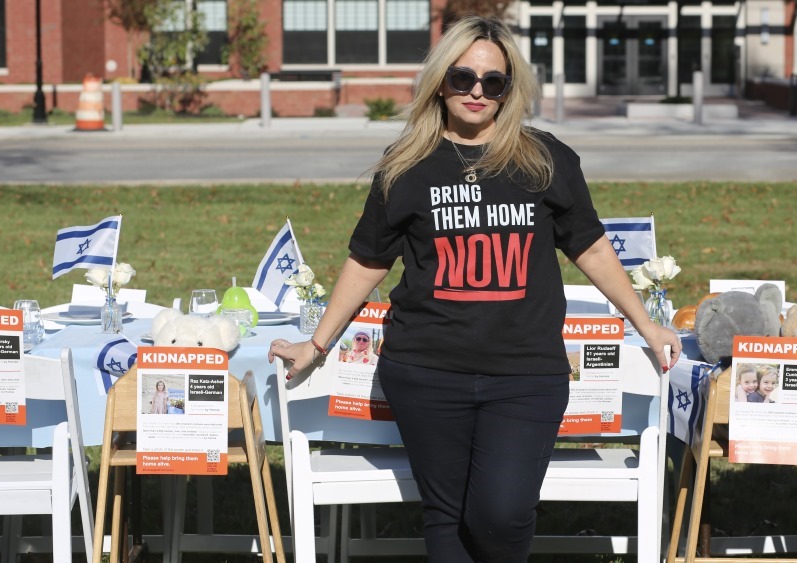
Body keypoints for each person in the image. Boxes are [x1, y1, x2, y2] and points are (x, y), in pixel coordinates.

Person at [268, 15, 681, 563]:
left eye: (494, 81)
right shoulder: (406, 165)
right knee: (446, 516)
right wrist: (316, 345)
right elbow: (368, 261)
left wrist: (647, 327)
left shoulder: (544, 159)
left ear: (511, 90)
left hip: (526, 373)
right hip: (426, 370)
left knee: (500, 514)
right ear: (441, 80)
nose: (477, 92)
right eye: (463, 78)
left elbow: (592, 248)